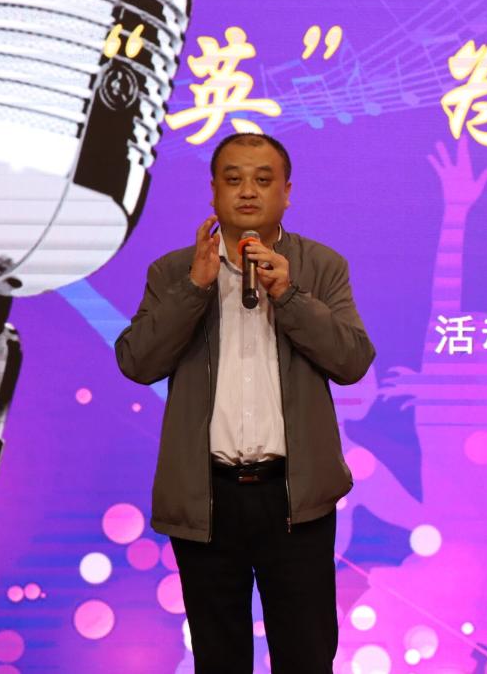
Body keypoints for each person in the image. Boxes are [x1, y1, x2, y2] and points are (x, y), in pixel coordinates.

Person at [115, 132, 375, 673]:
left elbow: (352, 361)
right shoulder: (173, 272)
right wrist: (194, 289)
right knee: (218, 658)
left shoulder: (321, 266)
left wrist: (290, 296)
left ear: (287, 193)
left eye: (263, 179)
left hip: (294, 500)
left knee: (306, 657)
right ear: (213, 191)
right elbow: (137, 362)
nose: (248, 191)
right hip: (208, 498)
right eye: (233, 179)